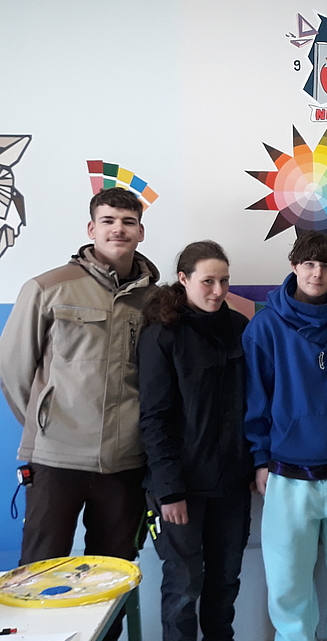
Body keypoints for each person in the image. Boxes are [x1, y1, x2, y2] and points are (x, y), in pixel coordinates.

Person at [0, 187, 158, 640]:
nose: (118, 229)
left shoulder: (154, 301)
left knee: (112, 575)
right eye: (108, 220)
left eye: (128, 222)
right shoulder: (48, 287)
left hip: (125, 462)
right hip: (57, 458)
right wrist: (44, 423)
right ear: (91, 228)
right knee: (38, 572)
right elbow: (13, 369)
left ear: (141, 231)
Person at [243, 232, 327, 641]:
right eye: (308, 263)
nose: (316, 273)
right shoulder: (265, 326)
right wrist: (259, 459)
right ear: (294, 266)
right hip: (286, 470)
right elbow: (254, 399)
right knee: (287, 579)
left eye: (326, 265)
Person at [138, 241, 253, 641]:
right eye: (208, 281)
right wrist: (169, 491)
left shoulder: (239, 327)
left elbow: (252, 404)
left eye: (224, 281)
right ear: (184, 279)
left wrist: (254, 466)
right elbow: (154, 419)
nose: (218, 291)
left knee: (226, 579)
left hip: (232, 485)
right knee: (184, 583)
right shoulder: (161, 334)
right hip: (181, 488)